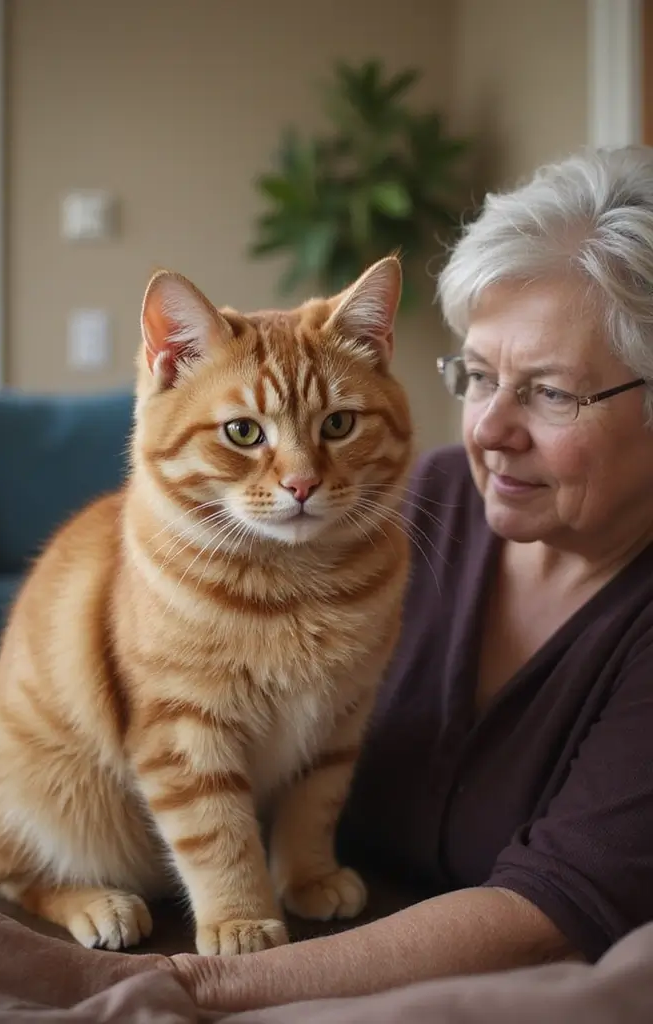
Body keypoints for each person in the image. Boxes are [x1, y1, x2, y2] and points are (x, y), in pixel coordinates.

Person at [171, 145, 653, 1012]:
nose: (489, 430)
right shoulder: (407, 500)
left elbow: (548, 916)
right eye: (477, 375)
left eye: (548, 392)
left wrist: (170, 986)